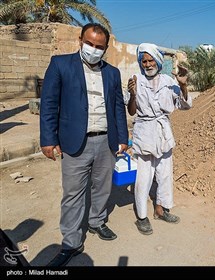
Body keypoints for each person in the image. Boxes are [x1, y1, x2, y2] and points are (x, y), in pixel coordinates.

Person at [40, 23, 129, 266]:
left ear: (105, 48)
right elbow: (48, 103)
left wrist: (123, 138)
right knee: (73, 194)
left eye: (99, 47)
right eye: (89, 43)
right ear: (80, 40)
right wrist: (48, 139)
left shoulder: (112, 73)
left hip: (105, 141)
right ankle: (71, 242)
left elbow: (118, 107)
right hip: (74, 141)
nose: (93, 49)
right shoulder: (60, 65)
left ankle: (97, 221)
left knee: (102, 188)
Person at [126, 43, 192, 235]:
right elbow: (131, 111)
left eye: (150, 60)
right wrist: (132, 95)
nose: (147, 64)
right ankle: (142, 216)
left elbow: (185, 105)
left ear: (158, 61)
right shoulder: (135, 80)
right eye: (144, 61)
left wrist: (183, 85)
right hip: (144, 132)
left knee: (164, 175)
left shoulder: (168, 81)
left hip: (163, 132)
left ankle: (161, 209)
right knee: (144, 177)